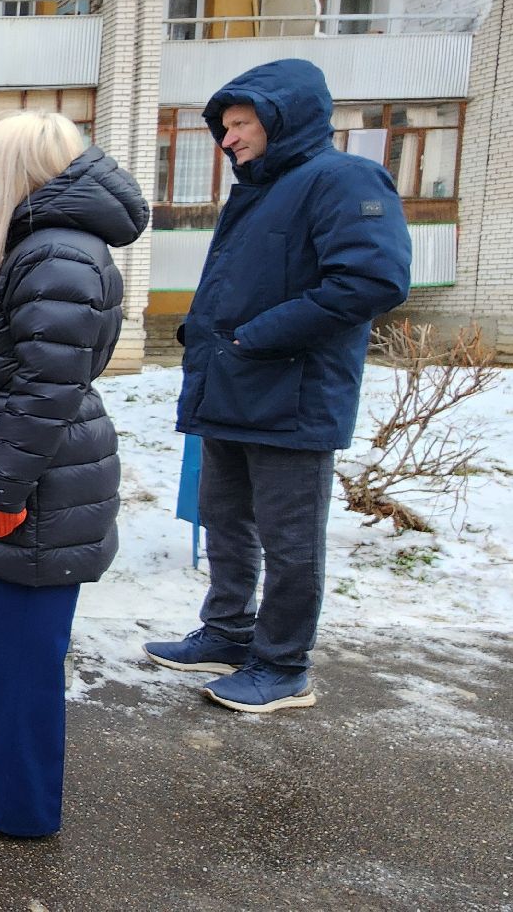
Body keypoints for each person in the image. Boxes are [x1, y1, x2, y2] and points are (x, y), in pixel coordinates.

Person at [145, 59, 411, 714]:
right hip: (232, 391)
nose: (228, 139)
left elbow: (371, 281)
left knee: (290, 542)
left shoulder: (343, 180)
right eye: (225, 127)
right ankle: (229, 633)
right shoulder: (262, 191)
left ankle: (284, 665)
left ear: (282, 118)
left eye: (240, 125)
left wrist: (254, 337)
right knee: (225, 522)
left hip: (291, 396)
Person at [0, 112, 148, 837]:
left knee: (25, 653)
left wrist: (2, 488)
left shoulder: (54, 253)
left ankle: (16, 802)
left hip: (38, 482)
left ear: (20, 177)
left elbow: (46, 389)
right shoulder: (49, 246)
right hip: (34, 469)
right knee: (3, 641)